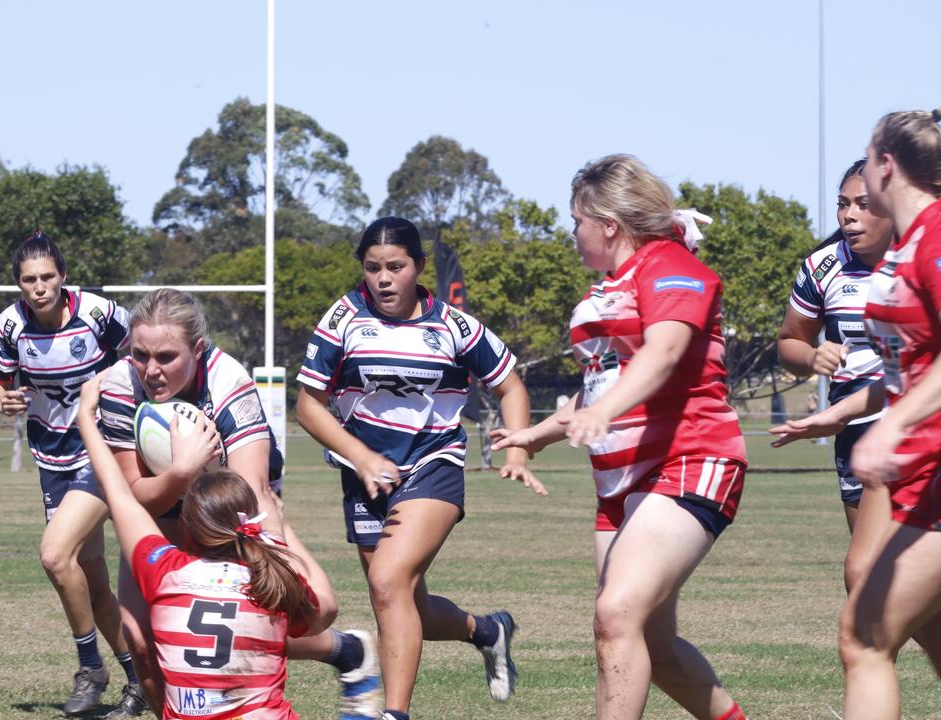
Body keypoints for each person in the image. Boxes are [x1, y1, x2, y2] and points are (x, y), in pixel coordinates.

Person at [491, 155, 747, 720]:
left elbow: (665, 351)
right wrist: (533, 436)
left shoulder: (670, 264)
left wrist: (603, 409)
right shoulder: (613, 284)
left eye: (576, 221)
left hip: (690, 460)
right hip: (621, 483)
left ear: (608, 223)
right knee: (652, 643)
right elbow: (602, 381)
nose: (573, 234)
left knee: (615, 616)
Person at [83, 288, 383, 720]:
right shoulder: (118, 384)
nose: (151, 370)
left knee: (248, 621)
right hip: (159, 506)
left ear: (198, 349)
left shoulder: (228, 381)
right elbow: (132, 493)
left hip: (230, 512)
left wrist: (282, 558)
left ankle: (344, 648)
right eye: (141, 354)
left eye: (166, 357)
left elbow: (251, 491)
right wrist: (181, 473)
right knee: (141, 638)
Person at [295, 216, 546, 720]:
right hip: (365, 476)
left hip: (433, 464)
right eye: (372, 268)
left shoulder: (453, 326)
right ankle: (487, 630)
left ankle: (393, 714)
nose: (383, 278)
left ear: (418, 267)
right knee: (408, 605)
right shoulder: (343, 318)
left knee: (389, 583)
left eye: (395, 266)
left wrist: (517, 449)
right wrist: (362, 457)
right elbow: (307, 405)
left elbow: (511, 385)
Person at [78, 373, 338, 719]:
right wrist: (278, 528)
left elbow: (119, 493)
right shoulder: (269, 583)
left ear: (186, 525)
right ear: (250, 521)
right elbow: (326, 609)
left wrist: (85, 420)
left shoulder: (164, 570)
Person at [0, 233, 145, 717]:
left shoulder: (97, 313)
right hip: (52, 457)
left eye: (47, 277)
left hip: (102, 451)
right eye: (29, 279)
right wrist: (1, 400)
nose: (39, 287)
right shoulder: (9, 326)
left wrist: (114, 390)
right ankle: (138, 679)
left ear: (63, 276)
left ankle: (90, 665)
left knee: (55, 557)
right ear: (18, 283)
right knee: (87, 576)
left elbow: (144, 353)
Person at [836, 108, 941, 719]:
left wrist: (895, 427)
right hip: (920, 473)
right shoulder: (907, 245)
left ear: (887, 165)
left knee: (865, 635)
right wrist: (840, 418)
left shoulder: (935, 235)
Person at [776, 158, 894, 589]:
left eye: (863, 204)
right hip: (855, 429)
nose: (849, 215)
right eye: (843, 204)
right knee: (871, 581)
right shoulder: (823, 266)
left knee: (877, 579)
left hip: (916, 423)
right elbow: (789, 341)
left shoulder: (923, 260)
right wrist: (811, 358)